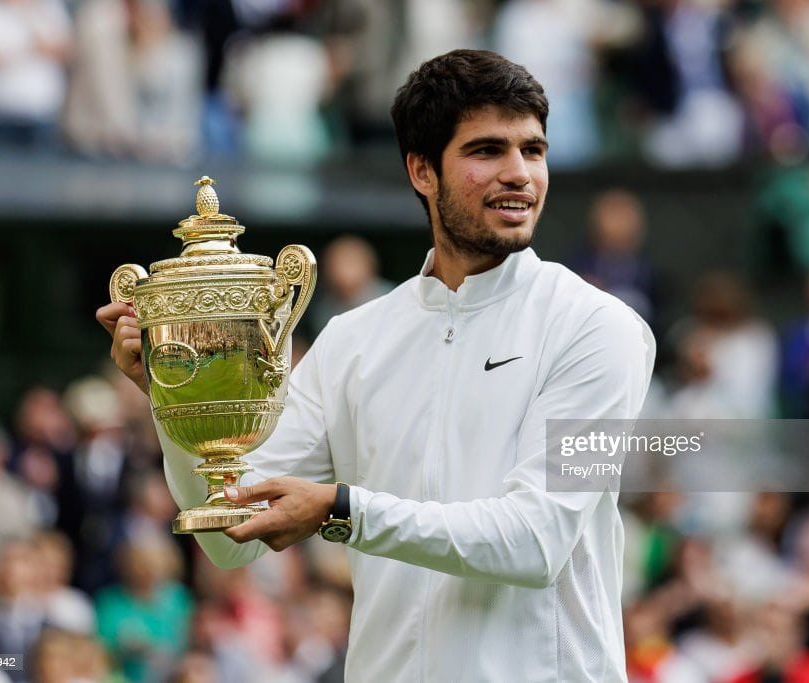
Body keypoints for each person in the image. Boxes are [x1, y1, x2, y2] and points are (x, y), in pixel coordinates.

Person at [97, 49, 655, 681]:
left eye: (533, 150)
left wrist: (342, 509)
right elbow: (229, 536)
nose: (520, 174)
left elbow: (536, 540)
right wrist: (176, 401)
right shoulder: (352, 339)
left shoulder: (599, 328)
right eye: (487, 151)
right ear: (422, 170)